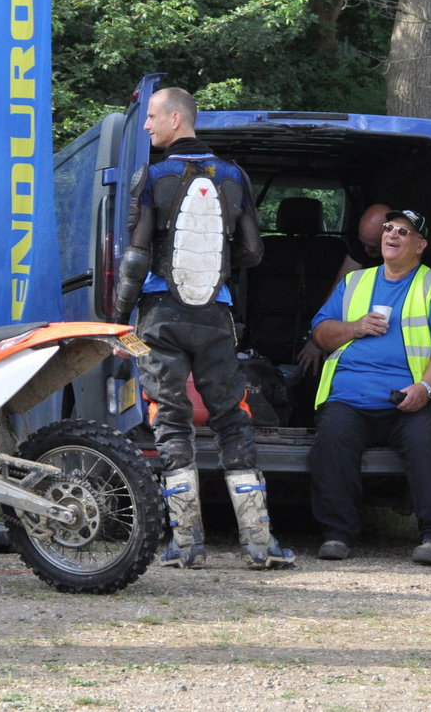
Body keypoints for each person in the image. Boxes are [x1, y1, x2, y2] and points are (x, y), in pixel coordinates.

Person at [113, 86, 294, 569]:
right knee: (232, 418)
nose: (147, 125)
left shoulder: (152, 177)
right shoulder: (234, 176)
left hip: (160, 316)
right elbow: (253, 252)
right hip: (216, 315)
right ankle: (259, 543)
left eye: (152, 117)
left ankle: (186, 544)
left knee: (170, 420)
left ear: (176, 119)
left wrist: (116, 322)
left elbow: (136, 258)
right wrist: (216, 264)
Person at [306, 208, 431, 566]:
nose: (391, 234)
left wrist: (425, 388)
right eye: (389, 228)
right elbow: (320, 333)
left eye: (403, 232)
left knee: (426, 441)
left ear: (420, 245)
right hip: (351, 400)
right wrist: (355, 327)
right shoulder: (354, 282)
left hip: (414, 402)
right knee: (332, 438)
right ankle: (337, 535)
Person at [295, 202, 390, 375]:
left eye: (373, 246)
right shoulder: (364, 246)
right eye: (363, 243)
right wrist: (317, 337)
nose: (366, 250)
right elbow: (340, 285)